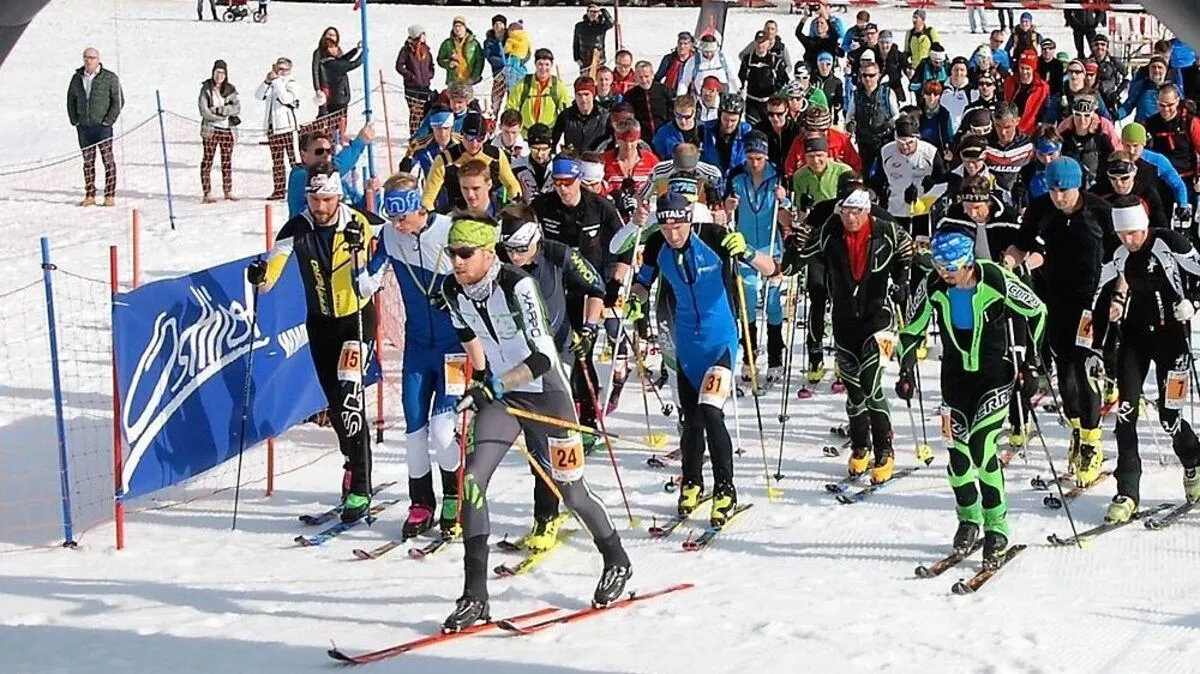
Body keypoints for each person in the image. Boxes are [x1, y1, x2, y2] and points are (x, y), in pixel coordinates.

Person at [439, 212, 631, 631]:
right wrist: (475, 385)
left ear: (488, 254)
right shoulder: (452, 288)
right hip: (503, 398)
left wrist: (495, 384)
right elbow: (471, 340)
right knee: (472, 480)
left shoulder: (517, 285)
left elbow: (543, 358)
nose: (456, 261)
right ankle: (475, 595)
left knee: (570, 491)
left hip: (546, 393)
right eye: (452, 253)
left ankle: (617, 558)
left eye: (464, 253)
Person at [897, 229, 1046, 568]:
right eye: (939, 267)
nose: (944, 275)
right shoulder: (933, 286)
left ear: (967, 264)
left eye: (951, 268)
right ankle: (968, 520)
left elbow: (1037, 311)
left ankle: (997, 527)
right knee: (958, 456)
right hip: (955, 379)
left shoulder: (995, 278)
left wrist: (1034, 364)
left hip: (996, 375)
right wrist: (906, 369)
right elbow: (911, 329)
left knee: (981, 446)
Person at [626, 192, 779, 522]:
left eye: (678, 227)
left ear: (689, 220)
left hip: (720, 341)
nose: (673, 235)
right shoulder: (656, 244)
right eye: (666, 228)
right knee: (691, 420)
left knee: (711, 411)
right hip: (687, 346)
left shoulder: (714, 236)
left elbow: (772, 269)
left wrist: (749, 252)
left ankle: (726, 489)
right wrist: (635, 300)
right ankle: (692, 481)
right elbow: (643, 282)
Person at [248, 162, 380, 522]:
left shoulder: (359, 222)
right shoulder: (297, 227)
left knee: (351, 401)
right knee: (335, 404)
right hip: (321, 325)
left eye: (325, 199)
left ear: (338, 195)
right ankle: (352, 462)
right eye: (313, 198)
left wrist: (362, 254)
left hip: (356, 321)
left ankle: (361, 487)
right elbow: (270, 277)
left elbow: (377, 268)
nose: (319, 207)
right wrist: (259, 276)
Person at [356, 174, 462, 539]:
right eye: (392, 219)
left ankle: (455, 495)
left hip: (454, 348)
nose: (398, 227)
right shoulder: (389, 236)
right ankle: (421, 503)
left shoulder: (449, 230)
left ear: (420, 207)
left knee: (443, 428)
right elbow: (367, 281)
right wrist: (357, 264)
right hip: (417, 347)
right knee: (415, 430)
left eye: (403, 218)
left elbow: (481, 274)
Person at [782, 187, 913, 482]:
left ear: (867, 211)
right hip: (844, 324)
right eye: (846, 212)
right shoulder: (831, 232)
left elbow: (908, 253)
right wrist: (794, 243)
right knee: (854, 393)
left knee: (872, 385)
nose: (851, 218)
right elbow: (791, 267)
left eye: (857, 212)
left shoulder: (886, 231)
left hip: (881, 320)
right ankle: (860, 446)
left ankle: (884, 449)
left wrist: (903, 281)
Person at [496, 202, 606, 550]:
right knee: (535, 440)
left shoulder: (558, 254)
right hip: (520, 360)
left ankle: (557, 511)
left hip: (558, 355)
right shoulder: (498, 263)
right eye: (509, 249)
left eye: (521, 249)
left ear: (535, 238)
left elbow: (597, 286)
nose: (515, 256)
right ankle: (547, 513)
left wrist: (588, 330)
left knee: (551, 436)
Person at [1004, 156, 1118, 486]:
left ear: (1078, 187)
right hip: (1054, 298)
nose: (1059, 198)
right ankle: (1077, 430)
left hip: (1091, 300)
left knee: (1083, 368)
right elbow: (1021, 244)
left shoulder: (1099, 211)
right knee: (1063, 369)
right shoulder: (1041, 208)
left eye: (1064, 191)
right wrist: (1010, 262)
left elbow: (1119, 255)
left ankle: (1092, 442)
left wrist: (1119, 296)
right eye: (1053, 190)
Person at [1095, 196, 1200, 522]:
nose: (1129, 240)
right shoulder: (1120, 253)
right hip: (1135, 340)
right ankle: (1127, 491)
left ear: (1144, 225)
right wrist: (1093, 342)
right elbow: (1097, 291)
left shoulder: (1169, 242)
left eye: (1135, 233)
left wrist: (1193, 303)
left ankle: (1194, 464)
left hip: (1172, 341)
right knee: (1125, 412)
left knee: (1170, 418)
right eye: (1123, 234)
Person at [532, 155, 627, 447]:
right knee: (558, 354)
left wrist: (617, 281)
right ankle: (559, 416)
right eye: (557, 183)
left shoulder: (599, 207)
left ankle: (588, 422)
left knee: (583, 352)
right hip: (554, 288)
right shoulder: (543, 206)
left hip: (591, 289)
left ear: (579, 181)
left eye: (568, 183)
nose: (562, 189)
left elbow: (625, 244)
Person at [726, 132, 790, 384]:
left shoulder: (778, 178)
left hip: (771, 247)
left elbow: (788, 219)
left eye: (760, 158)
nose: (755, 163)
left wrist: (783, 202)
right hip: (745, 247)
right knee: (748, 298)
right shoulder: (737, 177)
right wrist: (728, 207)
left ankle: (775, 356)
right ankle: (749, 355)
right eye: (751, 157)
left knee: (774, 302)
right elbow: (725, 208)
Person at [67, 47, 123, 207]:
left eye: (92, 58)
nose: (88, 60)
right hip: (84, 127)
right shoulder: (77, 78)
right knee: (88, 162)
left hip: (102, 127)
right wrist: (75, 120)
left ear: (98, 59)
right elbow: (70, 99)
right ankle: (90, 194)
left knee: (108, 160)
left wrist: (108, 120)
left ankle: (109, 195)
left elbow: (118, 100)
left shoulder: (109, 78)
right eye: (86, 57)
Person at [286, 124, 372, 219]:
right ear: (304, 155)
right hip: (307, 230)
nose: (326, 155)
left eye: (329, 151)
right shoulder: (300, 175)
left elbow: (358, 206)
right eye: (319, 151)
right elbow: (339, 165)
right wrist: (360, 142)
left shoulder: (337, 180)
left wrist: (370, 192)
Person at [256, 57, 300, 201]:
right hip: (273, 128)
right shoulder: (273, 84)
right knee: (277, 161)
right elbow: (258, 95)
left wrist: (276, 81)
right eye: (278, 68)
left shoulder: (292, 84)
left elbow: (286, 98)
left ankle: (298, 188)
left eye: (283, 69)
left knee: (294, 160)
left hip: (287, 128)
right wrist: (267, 82)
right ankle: (279, 190)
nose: (280, 72)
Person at [197, 59, 240, 203]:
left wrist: (221, 110)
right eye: (217, 72)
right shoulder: (206, 89)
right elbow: (204, 110)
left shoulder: (230, 89)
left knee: (226, 161)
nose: (219, 76)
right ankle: (207, 192)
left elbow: (236, 108)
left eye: (222, 73)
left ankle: (228, 190)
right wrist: (217, 116)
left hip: (227, 130)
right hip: (211, 130)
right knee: (208, 160)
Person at [507, 48, 572, 131]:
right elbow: (511, 107)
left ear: (551, 65)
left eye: (547, 64)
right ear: (535, 64)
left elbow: (566, 111)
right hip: (525, 135)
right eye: (540, 64)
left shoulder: (557, 86)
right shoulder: (523, 84)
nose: (543, 68)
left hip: (548, 136)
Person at [395, 25, 436, 137]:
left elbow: (431, 65)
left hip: (425, 86)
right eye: (421, 34)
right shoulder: (406, 50)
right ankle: (414, 136)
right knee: (415, 113)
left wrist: (429, 75)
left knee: (424, 112)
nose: (424, 36)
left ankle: (423, 135)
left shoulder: (426, 50)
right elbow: (399, 66)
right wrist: (410, 76)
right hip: (411, 87)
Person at [437, 16, 484, 87]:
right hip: (453, 81)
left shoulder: (474, 44)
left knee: (467, 98)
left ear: (465, 27)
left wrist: (475, 77)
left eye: (460, 26)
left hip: (468, 80)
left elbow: (480, 61)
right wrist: (449, 63)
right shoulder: (447, 43)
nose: (457, 29)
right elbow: (440, 60)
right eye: (455, 26)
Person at [573, 3, 613, 73]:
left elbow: (611, 23)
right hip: (584, 59)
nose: (593, 14)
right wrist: (576, 58)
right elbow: (576, 42)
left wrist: (604, 11)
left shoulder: (602, 26)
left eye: (595, 12)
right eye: (591, 11)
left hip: (598, 58)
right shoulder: (580, 26)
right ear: (587, 12)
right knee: (585, 81)